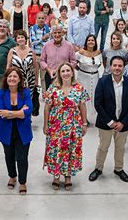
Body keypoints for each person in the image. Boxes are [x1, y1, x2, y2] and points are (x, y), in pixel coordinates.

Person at [89, 56, 128, 183]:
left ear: (124, 67)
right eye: (114, 65)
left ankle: (119, 169)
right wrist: (110, 122)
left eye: (120, 66)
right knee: (103, 147)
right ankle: (98, 168)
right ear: (110, 67)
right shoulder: (103, 81)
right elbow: (98, 103)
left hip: (123, 124)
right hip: (106, 123)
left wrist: (123, 122)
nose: (117, 68)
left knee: (120, 148)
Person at [44, 62, 88, 190]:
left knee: (71, 149)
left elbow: (82, 106)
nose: (66, 73)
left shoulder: (79, 88)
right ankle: (56, 176)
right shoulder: (53, 88)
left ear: (72, 72)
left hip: (74, 124)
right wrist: (46, 125)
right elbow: (47, 108)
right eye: (63, 71)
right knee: (56, 149)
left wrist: (84, 123)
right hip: (56, 125)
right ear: (59, 74)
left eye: (68, 70)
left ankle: (68, 176)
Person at [0, 67, 33, 194]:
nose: (12, 79)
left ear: (19, 79)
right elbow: (0, 112)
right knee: (9, 156)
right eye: (9, 76)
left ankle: (22, 182)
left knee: (22, 157)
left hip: (23, 131)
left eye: (15, 76)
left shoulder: (26, 92)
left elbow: (29, 111)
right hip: (6, 131)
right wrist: (19, 112)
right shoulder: (1, 92)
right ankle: (12, 176)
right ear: (6, 79)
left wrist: (10, 113)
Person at [75, 34, 102, 123]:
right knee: (83, 97)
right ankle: (83, 118)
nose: (91, 42)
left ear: (95, 42)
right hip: (83, 77)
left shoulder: (98, 53)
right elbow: (73, 62)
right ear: (86, 42)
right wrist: (79, 69)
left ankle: (92, 115)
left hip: (95, 77)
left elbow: (99, 64)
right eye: (89, 40)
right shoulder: (80, 53)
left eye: (92, 40)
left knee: (94, 96)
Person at [40, 25, 77, 89]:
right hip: (50, 75)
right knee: (50, 96)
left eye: (59, 32)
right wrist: (49, 70)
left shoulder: (69, 46)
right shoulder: (46, 45)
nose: (57, 35)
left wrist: (65, 70)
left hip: (65, 76)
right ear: (52, 33)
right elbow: (42, 60)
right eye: (55, 33)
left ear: (62, 33)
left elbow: (73, 62)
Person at [7, 30, 38, 100]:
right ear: (16, 40)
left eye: (22, 37)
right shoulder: (12, 51)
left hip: (29, 81)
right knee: (16, 100)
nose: (20, 39)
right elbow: (8, 66)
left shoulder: (31, 51)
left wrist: (36, 82)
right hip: (15, 81)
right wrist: (7, 80)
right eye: (18, 38)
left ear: (25, 39)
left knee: (27, 102)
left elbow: (35, 67)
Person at [29, 12, 51, 92]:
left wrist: (39, 41)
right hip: (35, 55)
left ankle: (45, 95)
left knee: (43, 78)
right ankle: (34, 95)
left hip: (45, 57)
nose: (41, 20)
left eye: (42, 18)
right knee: (34, 77)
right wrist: (43, 38)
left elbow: (48, 44)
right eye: (39, 18)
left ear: (45, 19)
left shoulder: (49, 29)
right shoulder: (32, 28)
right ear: (36, 19)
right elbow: (33, 42)